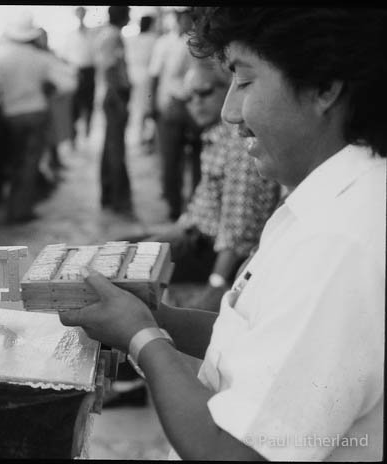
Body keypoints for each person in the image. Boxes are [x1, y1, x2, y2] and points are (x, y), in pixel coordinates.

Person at [59, 7, 385, 461]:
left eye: (245, 81)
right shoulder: (324, 203)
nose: (231, 112)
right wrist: (158, 318)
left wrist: (142, 338)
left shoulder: (338, 242)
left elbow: (231, 450)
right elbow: (257, 337)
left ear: (324, 87)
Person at [126, 58, 281, 312]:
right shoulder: (215, 134)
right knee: (121, 250)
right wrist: (163, 238)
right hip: (194, 236)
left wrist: (216, 283)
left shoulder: (238, 142)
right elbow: (201, 206)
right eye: (189, 97)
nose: (195, 103)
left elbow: (237, 226)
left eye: (204, 92)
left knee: (125, 278)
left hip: (214, 252)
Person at [0, 12, 76, 224]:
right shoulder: (40, 58)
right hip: (36, 113)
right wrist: (50, 92)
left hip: (11, 115)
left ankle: (14, 207)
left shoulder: (0, 55)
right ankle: (21, 210)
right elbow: (69, 82)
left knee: (16, 162)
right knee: (29, 163)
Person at [148, 8, 202, 221]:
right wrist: (151, 105)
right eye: (183, 18)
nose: (186, 21)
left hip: (194, 105)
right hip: (170, 105)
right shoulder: (163, 43)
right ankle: (174, 206)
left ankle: (196, 208)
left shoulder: (198, 42)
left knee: (199, 159)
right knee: (170, 160)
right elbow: (154, 75)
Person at [95, 6, 135, 219]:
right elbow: (111, 69)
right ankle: (118, 199)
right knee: (115, 150)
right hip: (114, 97)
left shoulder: (110, 34)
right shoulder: (112, 36)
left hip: (113, 96)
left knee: (111, 148)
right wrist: (120, 101)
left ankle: (109, 196)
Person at [61, 6, 96, 146]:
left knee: (89, 104)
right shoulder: (70, 35)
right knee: (75, 106)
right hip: (75, 72)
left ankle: (87, 133)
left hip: (89, 71)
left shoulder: (91, 33)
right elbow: (65, 57)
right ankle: (73, 136)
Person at [125, 13, 159, 148]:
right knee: (146, 108)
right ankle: (145, 137)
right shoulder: (153, 39)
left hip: (133, 74)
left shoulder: (133, 39)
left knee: (137, 107)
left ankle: (139, 137)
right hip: (146, 75)